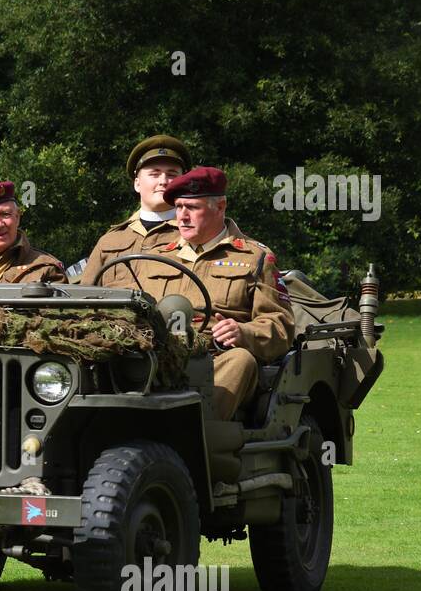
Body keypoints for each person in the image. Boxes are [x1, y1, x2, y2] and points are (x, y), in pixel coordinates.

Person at [113, 166, 294, 421]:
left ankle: (195, 433)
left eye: (193, 208)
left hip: (216, 359)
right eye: (178, 207)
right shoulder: (156, 257)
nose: (182, 217)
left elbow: (281, 327)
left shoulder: (255, 258)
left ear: (219, 207)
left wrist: (243, 333)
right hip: (157, 356)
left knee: (241, 360)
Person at [73, 134, 190, 285]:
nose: (163, 181)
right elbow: (85, 299)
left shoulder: (195, 236)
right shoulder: (109, 242)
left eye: (171, 174)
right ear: (137, 184)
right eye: (154, 174)